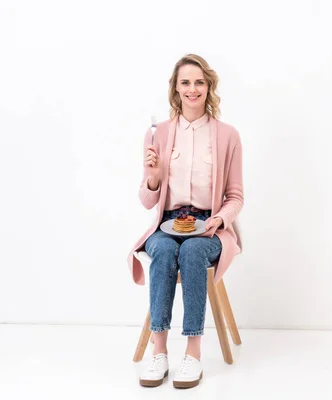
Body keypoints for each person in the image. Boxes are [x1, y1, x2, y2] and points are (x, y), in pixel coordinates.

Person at [127, 54, 243, 388]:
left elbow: (236, 195)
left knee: (192, 253)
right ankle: (159, 350)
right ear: (175, 89)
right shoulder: (158, 134)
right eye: (185, 82)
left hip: (208, 225)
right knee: (163, 252)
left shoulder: (227, 135)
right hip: (166, 223)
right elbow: (148, 201)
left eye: (199, 82)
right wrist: (152, 177)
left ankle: (193, 353)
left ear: (209, 87)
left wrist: (219, 219)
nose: (192, 89)